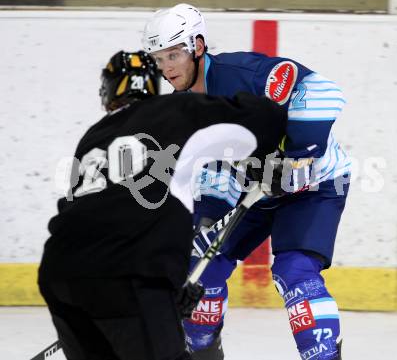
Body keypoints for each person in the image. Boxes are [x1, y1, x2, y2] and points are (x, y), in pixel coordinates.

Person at [38, 50, 287, 360]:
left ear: (108, 91)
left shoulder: (94, 137)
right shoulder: (178, 109)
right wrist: (268, 157)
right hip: (129, 275)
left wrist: (168, 289)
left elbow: (105, 215)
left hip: (60, 275)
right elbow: (264, 119)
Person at [142, 4, 351, 360]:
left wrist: (299, 155)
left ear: (199, 45)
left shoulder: (243, 74)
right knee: (198, 265)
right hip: (255, 190)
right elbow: (212, 170)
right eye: (159, 59)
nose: (167, 67)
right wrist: (204, 222)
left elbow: (324, 92)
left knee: (295, 271)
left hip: (315, 185)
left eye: (174, 54)